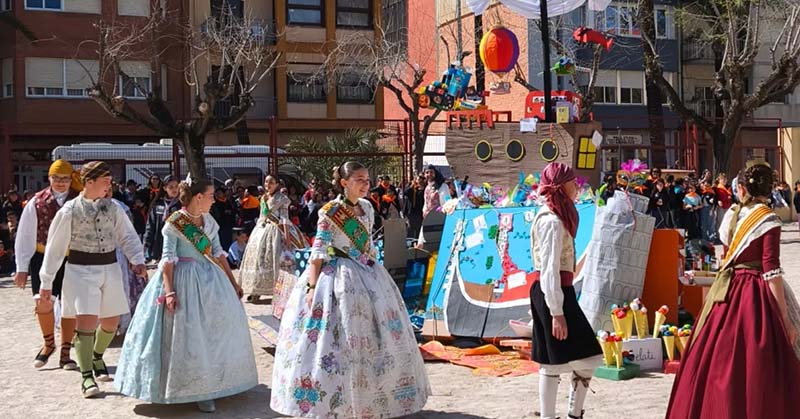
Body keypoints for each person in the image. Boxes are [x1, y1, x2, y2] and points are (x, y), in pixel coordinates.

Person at [271, 161, 429, 418]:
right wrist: (311, 287)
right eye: (359, 179)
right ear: (344, 183)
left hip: (367, 273)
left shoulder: (367, 207)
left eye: (367, 179)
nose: (365, 184)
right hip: (336, 276)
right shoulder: (329, 212)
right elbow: (318, 252)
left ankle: (373, 399)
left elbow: (368, 245)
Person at [666, 164, 800, 418]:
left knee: (716, 351)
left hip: (728, 289)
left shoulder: (733, 214)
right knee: (761, 359)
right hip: (756, 292)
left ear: (743, 189)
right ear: (769, 189)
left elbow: (727, 255)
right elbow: (771, 269)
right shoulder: (769, 219)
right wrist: (785, 318)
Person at [115, 177, 256, 413]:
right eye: (210, 196)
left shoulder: (209, 220)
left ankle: (213, 385)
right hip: (182, 280)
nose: (214, 199)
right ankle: (191, 390)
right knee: (186, 336)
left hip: (211, 281)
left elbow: (218, 253)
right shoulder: (175, 223)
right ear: (198, 197)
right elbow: (167, 260)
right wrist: (170, 291)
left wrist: (233, 283)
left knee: (214, 333)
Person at [39, 161, 147, 398]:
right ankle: (87, 376)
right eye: (105, 180)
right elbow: (55, 249)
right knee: (86, 322)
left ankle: (97, 356)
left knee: (111, 323)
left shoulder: (114, 208)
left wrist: (137, 260)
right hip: (80, 271)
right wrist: (46, 282)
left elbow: (127, 236)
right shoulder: (69, 211)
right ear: (89, 182)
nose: (109, 185)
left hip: (110, 268)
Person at [530, 162, 602, 419]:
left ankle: (573, 413)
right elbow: (549, 268)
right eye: (572, 183)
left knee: (583, 359)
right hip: (552, 291)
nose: (576, 187)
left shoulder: (559, 216)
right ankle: (551, 416)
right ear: (561, 187)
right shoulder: (551, 221)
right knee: (557, 361)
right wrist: (556, 312)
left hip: (558, 290)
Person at [14, 160, 81, 370]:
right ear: (49, 178)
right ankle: (49, 343)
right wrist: (21, 267)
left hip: (72, 258)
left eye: (65, 179)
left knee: (70, 305)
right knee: (43, 302)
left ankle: (66, 351)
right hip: (43, 256)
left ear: (71, 179)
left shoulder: (79, 200)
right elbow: (25, 235)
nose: (60, 182)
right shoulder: (37, 201)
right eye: (56, 178)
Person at [238, 175, 291, 302]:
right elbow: (262, 215)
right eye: (266, 182)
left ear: (277, 184)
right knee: (257, 258)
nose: (268, 184)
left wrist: (287, 236)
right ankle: (256, 289)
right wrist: (257, 229)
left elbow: (284, 218)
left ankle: (278, 291)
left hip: (276, 230)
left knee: (274, 259)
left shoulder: (282, 199)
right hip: (262, 229)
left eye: (271, 182)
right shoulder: (263, 198)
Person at [143, 175, 181, 262]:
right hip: (159, 244)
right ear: (164, 188)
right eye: (171, 187)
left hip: (177, 246)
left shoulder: (182, 204)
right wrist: (146, 244)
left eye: (176, 186)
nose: (174, 189)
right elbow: (150, 226)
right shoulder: (158, 204)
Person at [416, 165, 450, 248]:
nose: (429, 174)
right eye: (427, 172)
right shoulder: (427, 187)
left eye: (431, 172)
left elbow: (446, 204)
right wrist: (424, 211)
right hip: (427, 219)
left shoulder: (442, 186)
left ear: (435, 173)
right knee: (422, 243)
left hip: (438, 220)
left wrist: (438, 212)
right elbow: (426, 202)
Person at [211, 187, 237, 251]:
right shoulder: (214, 205)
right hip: (220, 227)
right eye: (217, 193)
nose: (218, 194)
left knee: (229, 243)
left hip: (229, 226)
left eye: (220, 193)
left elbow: (233, 212)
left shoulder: (228, 202)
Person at [403, 175, 425, 239]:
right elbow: (405, 192)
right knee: (411, 229)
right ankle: (410, 241)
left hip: (420, 212)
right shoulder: (413, 189)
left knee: (419, 229)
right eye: (418, 179)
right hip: (411, 212)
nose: (419, 181)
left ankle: (417, 240)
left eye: (421, 180)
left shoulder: (425, 189)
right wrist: (412, 185)